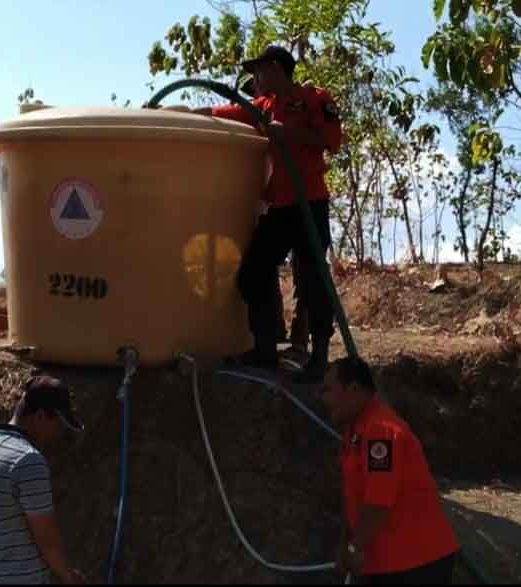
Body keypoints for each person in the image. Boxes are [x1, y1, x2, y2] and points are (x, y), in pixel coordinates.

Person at [193, 45, 343, 383]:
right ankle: (264, 349)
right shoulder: (263, 106)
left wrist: (286, 132)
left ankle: (319, 356)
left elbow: (331, 140)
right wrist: (186, 112)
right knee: (253, 271)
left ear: (277, 68)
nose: (255, 78)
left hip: (310, 203)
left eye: (260, 71)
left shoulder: (315, 98)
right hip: (281, 207)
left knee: (313, 279)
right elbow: (225, 111)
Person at [321, 357, 461, 584]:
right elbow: (355, 498)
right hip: (391, 563)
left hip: (416, 563)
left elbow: (378, 500)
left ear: (354, 389)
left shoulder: (381, 432)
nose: (323, 399)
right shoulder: (356, 431)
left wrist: (355, 546)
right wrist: (346, 545)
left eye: (328, 390)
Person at [0, 375, 86, 584]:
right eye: (58, 424)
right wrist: (68, 576)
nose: (59, 432)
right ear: (40, 416)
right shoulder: (28, 460)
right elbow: (46, 538)